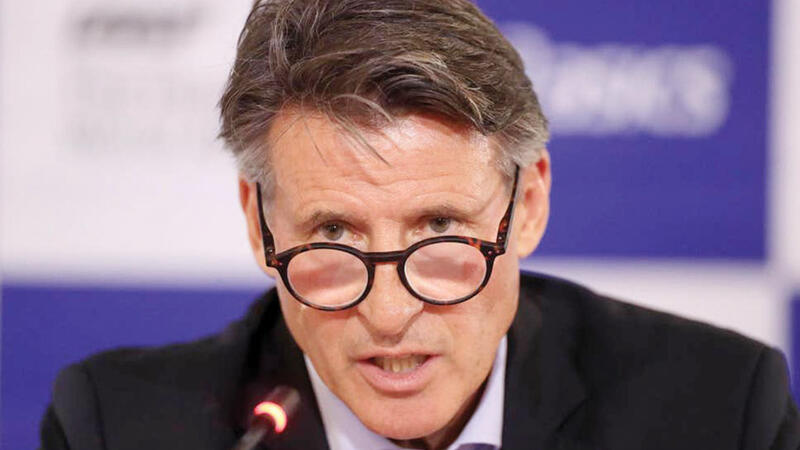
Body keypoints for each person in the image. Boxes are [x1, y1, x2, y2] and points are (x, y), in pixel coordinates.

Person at [40, 0, 800, 449]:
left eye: (439, 227)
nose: (388, 314)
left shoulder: (718, 410)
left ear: (528, 205)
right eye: (333, 235)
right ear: (257, 221)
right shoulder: (115, 426)